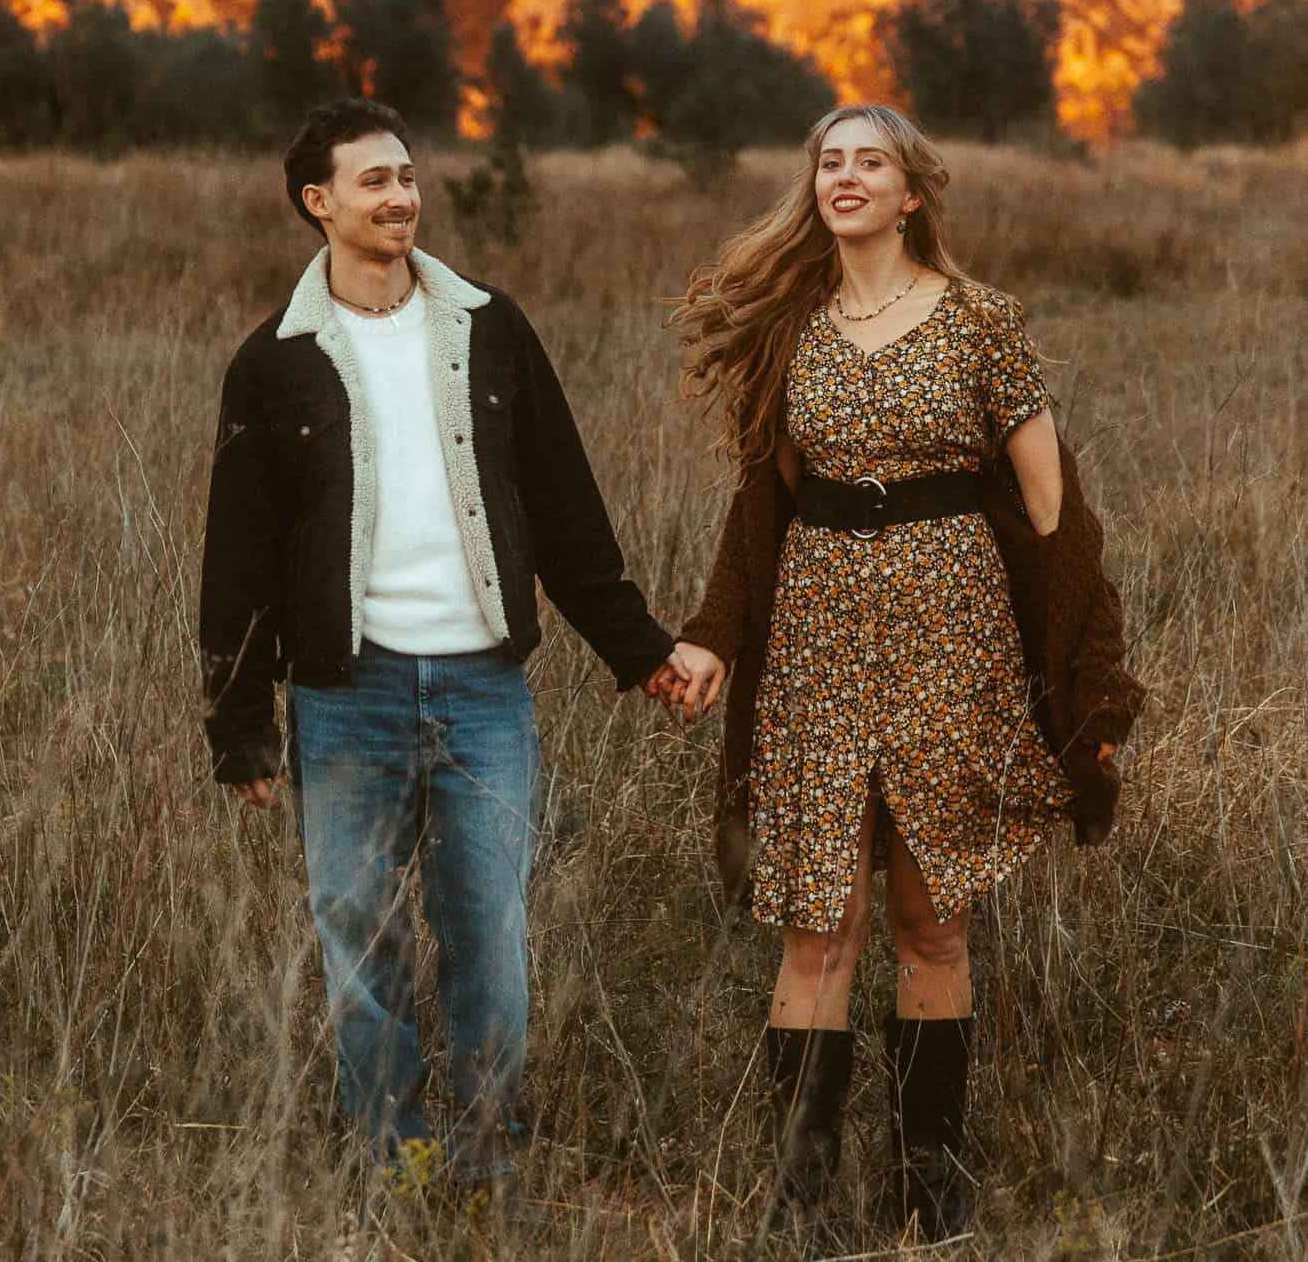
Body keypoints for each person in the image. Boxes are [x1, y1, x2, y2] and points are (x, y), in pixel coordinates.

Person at [658, 104, 1142, 1239]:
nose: (845, 175)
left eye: (870, 160)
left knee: (931, 917)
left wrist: (1082, 668)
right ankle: (799, 1192)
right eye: (829, 160)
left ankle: (934, 1183)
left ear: (913, 191)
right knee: (816, 915)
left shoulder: (982, 320)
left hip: (948, 631)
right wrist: (717, 633)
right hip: (820, 636)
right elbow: (759, 508)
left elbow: (1047, 505)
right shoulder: (792, 324)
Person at [199, 96, 692, 1193]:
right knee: (361, 951)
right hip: (344, 695)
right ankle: (398, 1157)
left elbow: (566, 511)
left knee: (490, 946)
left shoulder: (489, 327)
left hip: (484, 691)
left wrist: (639, 647)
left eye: (409, 175)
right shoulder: (273, 363)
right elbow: (237, 558)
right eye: (374, 180)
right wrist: (239, 724)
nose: (402, 195)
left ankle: (485, 1152)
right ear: (317, 202)